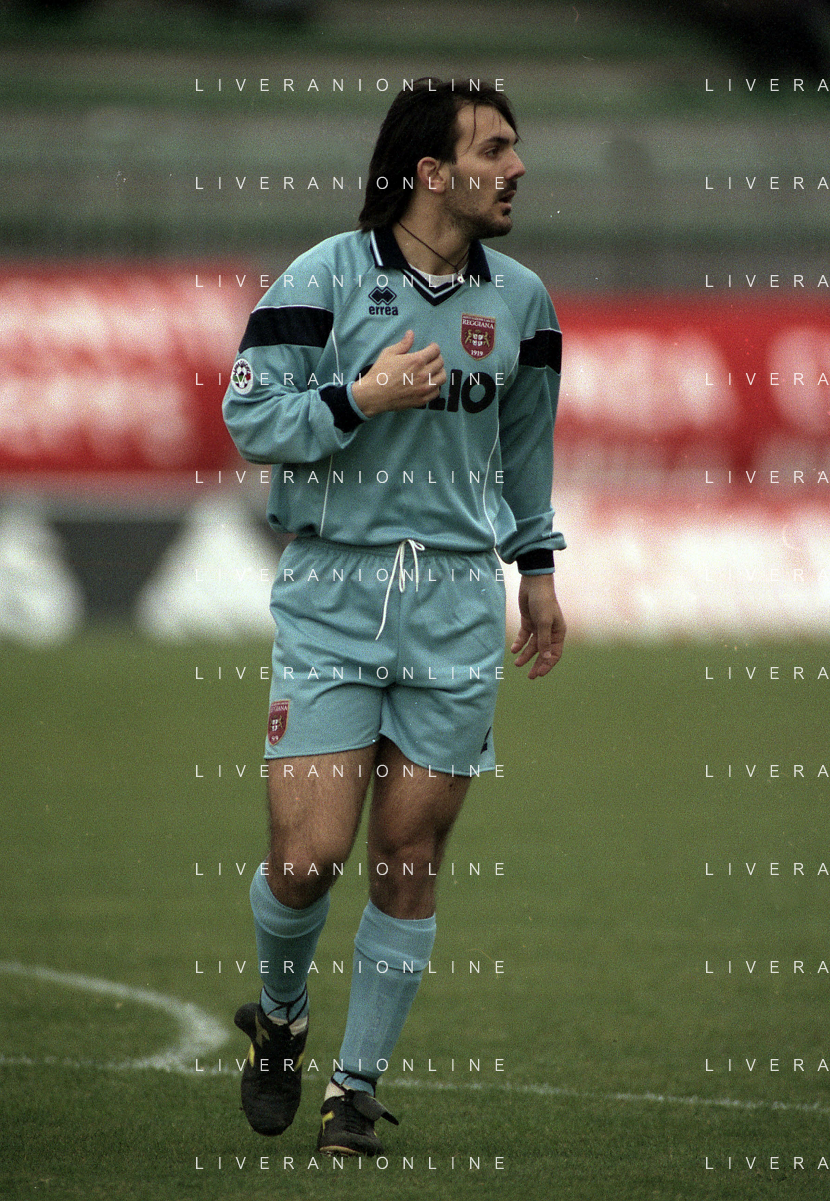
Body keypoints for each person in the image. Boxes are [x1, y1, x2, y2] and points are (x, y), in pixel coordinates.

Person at [222, 76, 566, 1159]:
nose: (516, 168)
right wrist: (359, 398)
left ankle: (354, 1092)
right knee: (307, 858)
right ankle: (282, 1019)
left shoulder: (522, 302)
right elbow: (248, 415)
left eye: (514, 148)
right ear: (429, 171)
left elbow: (525, 448)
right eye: (493, 149)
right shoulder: (322, 276)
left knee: (408, 855)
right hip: (333, 595)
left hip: (456, 602)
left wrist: (536, 567)